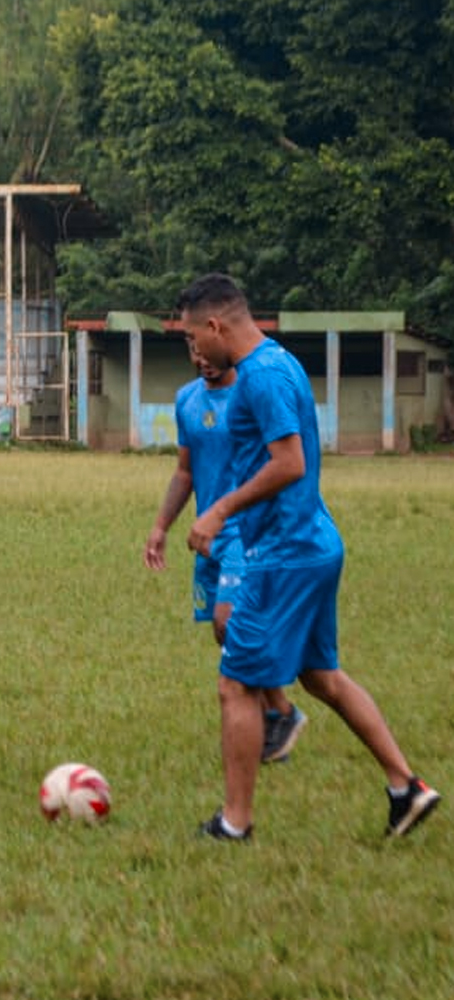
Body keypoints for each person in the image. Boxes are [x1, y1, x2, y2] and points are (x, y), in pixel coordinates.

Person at [179, 272, 440, 841]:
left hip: (283, 551)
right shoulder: (281, 363)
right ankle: (407, 788)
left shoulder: (260, 378)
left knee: (237, 685)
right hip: (313, 544)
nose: (196, 350)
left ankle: (235, 823)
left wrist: (219, 509)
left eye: (196, 338)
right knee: (322, 678)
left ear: (217, 324)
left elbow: (290, 462)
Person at [144, 341, 308, 762]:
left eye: (204, 348)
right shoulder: (187, 399)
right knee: (224, 631)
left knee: (229, 619)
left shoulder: (252, 392)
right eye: (190, 348)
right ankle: (274, 714)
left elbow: (285, 460)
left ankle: (282, 712)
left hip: (247, 528)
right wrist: (162, 525)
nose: (200, 358)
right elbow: (185, 471)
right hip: (208, 533)